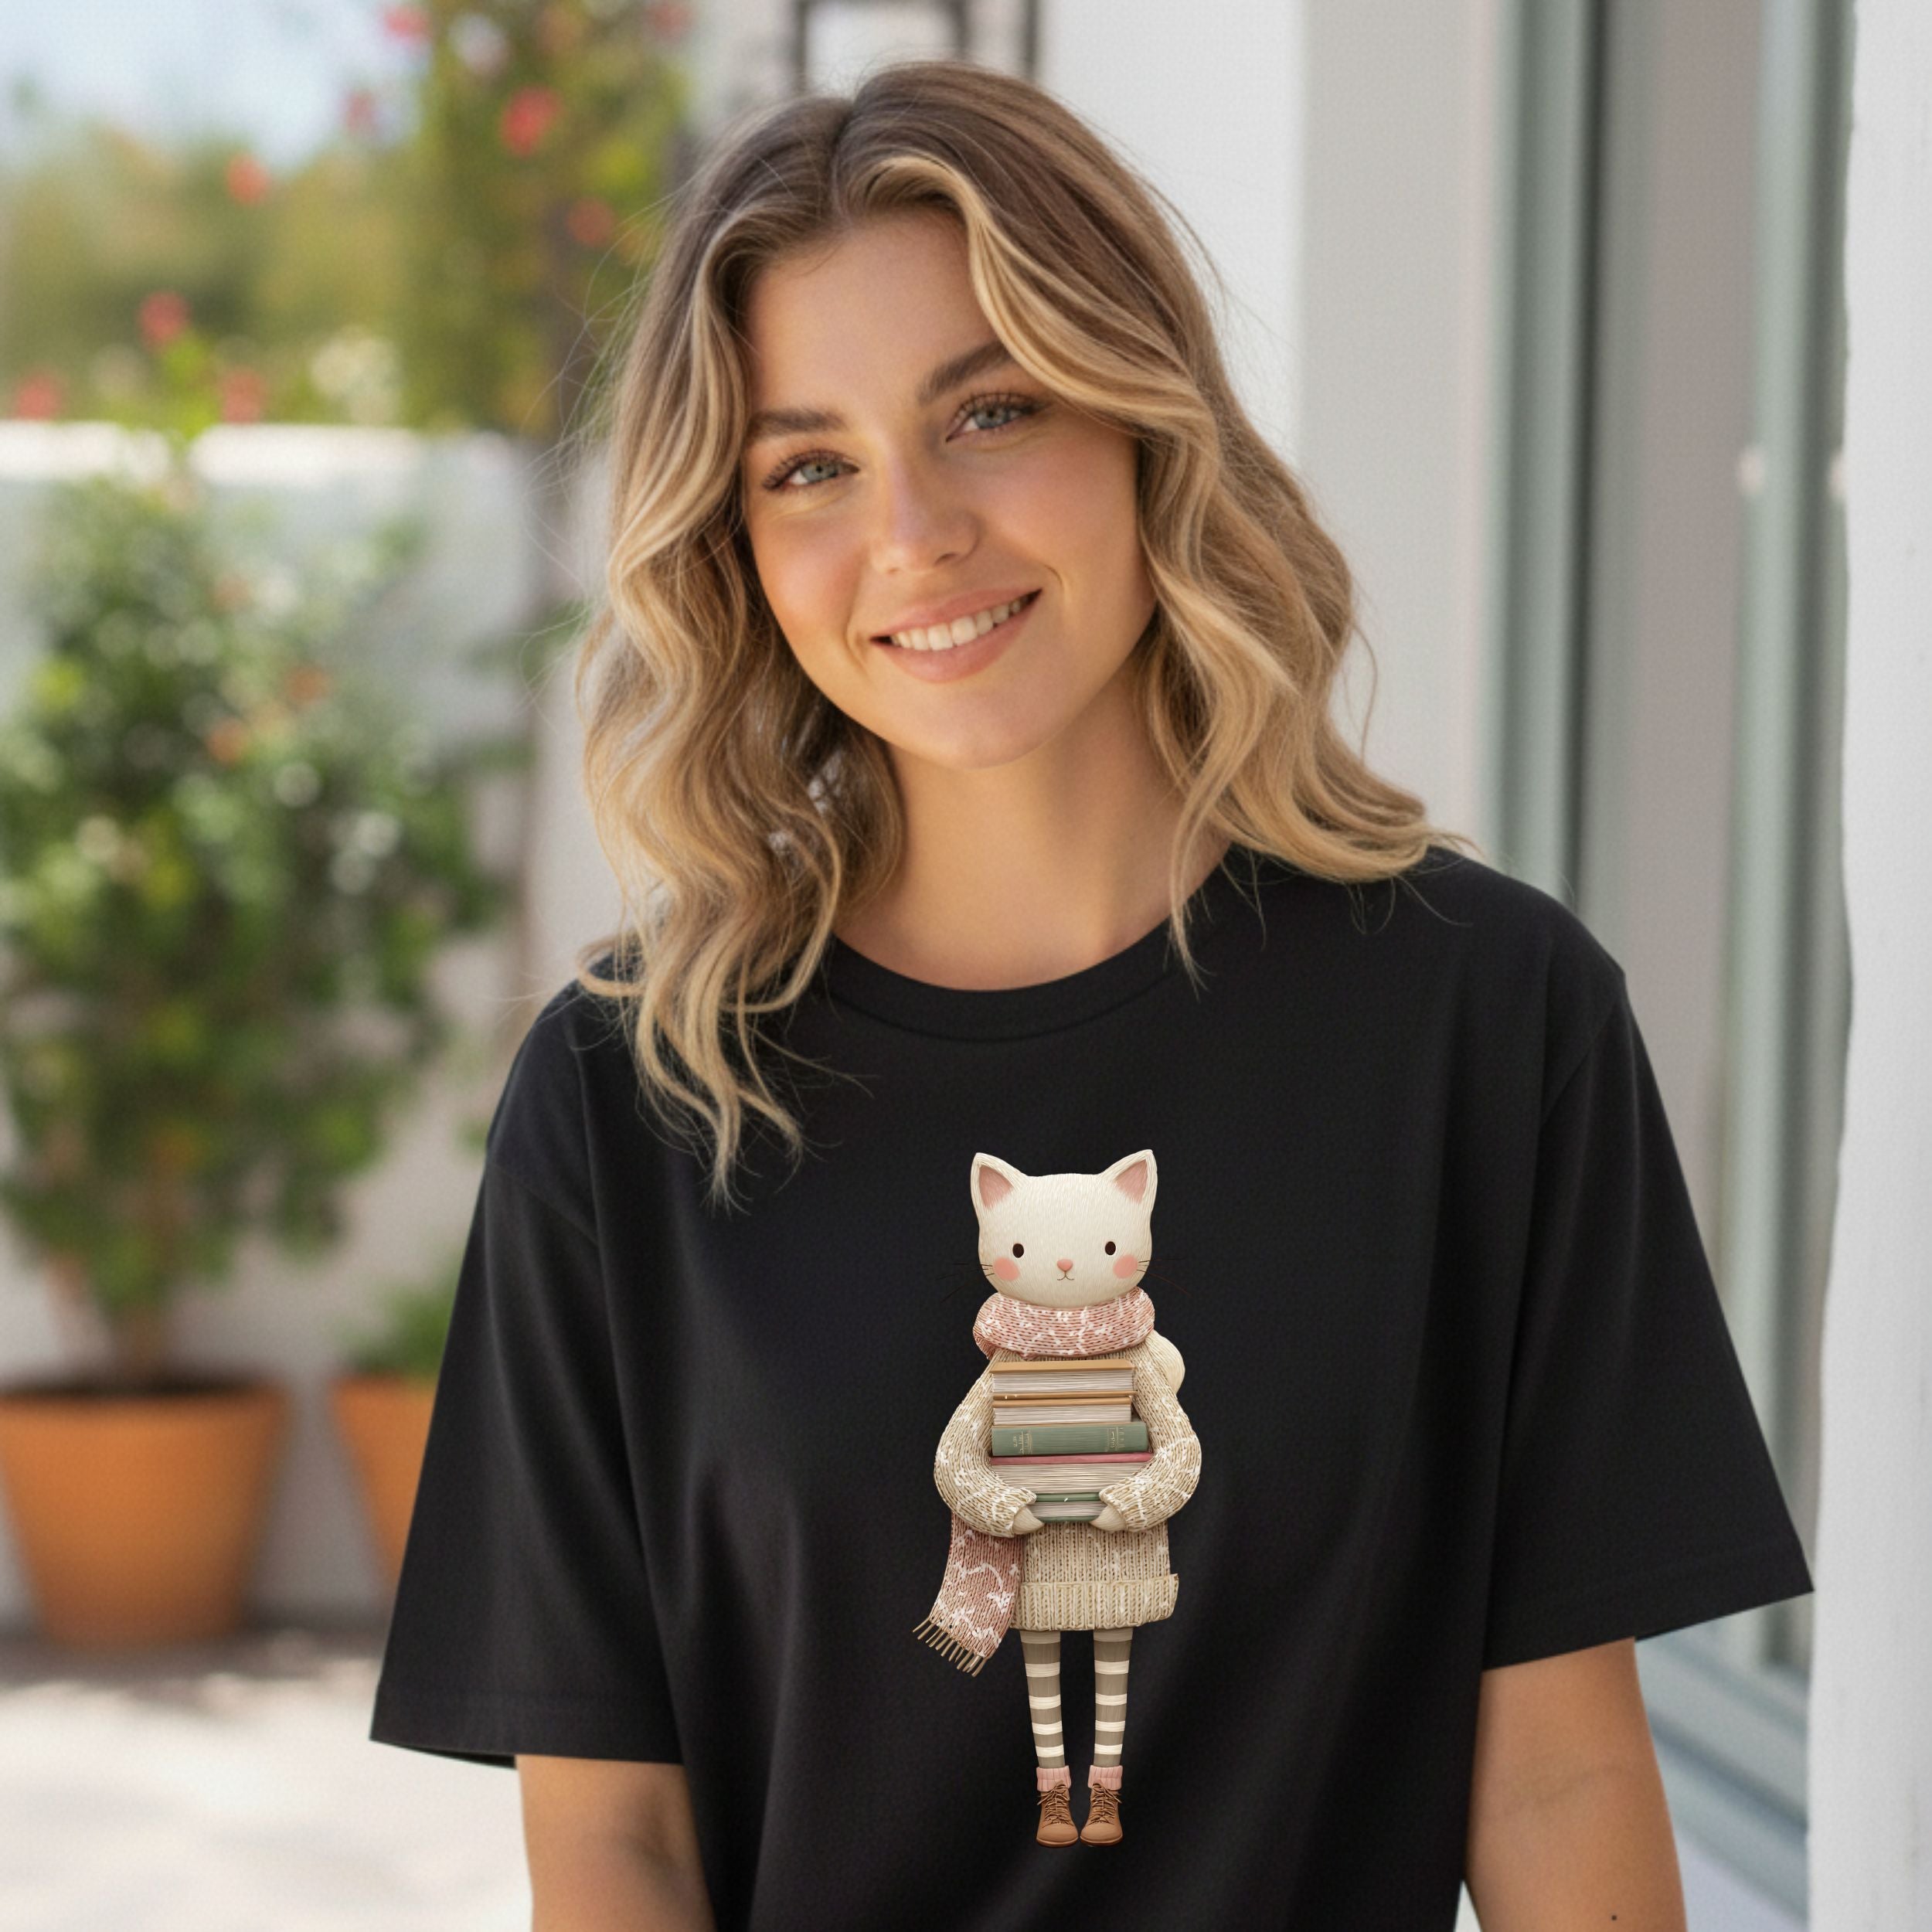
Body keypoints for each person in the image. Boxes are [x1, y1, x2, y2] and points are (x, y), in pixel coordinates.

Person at [368, 57, 1813, 1931]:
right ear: (733, 546)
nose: (912, 534)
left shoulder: (1486, 1023)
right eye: (806, 463)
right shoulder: (628, 1097)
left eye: (988, 409)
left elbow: (1553, 1775)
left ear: (1143, 420)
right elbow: (615, 1847)